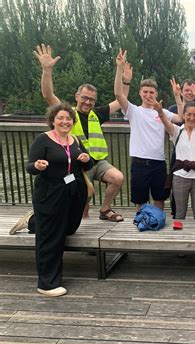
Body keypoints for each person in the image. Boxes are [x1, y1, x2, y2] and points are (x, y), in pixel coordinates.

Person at [33, 43, 130, 222]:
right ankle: (81, 224)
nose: (87, 102)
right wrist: (47, 70)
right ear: (77, 96)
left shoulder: (97, 114)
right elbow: (48, 95)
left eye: (91, 99)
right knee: (83, 199)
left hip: (97, 162)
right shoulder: (67, 114)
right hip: (77, 165)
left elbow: (121, 99)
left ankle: (105, 209)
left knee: (117, 178)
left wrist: (124, 77)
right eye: (84, 98)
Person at [27, 102, 93, 296]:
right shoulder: (43, 140)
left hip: (74, 194)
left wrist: (86, 159)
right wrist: (37, 166)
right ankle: (47, 284)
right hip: (51, 195)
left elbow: (87, 166)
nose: (65, 121)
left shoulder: (75, 140)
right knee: (51, 237)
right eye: (61, 118)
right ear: (53, 120)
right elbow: (29, 167)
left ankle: (34, 222)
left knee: (69, 227)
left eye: (68, 118)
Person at [113, 49, 181, 210]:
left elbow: (181, 118)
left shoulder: (162, 111)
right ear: (140, 93)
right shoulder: (134, 111)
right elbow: (118, 94)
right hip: (139, 161)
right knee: (140, 199)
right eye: (145, 92)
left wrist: (177, 96)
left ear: (156, 93)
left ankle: (158, 222)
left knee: (159, 198)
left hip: (158, 162)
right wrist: (121, 72)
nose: (148, 95)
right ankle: (141, 223)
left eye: (151, 92)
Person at [160, 96, 195, 220]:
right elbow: (165, 121)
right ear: (183, 115)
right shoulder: (176, 132)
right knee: (179, 213)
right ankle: (180, 238)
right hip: (180, 177)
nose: (192, 118)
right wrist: (159, 111)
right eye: (189, 114)